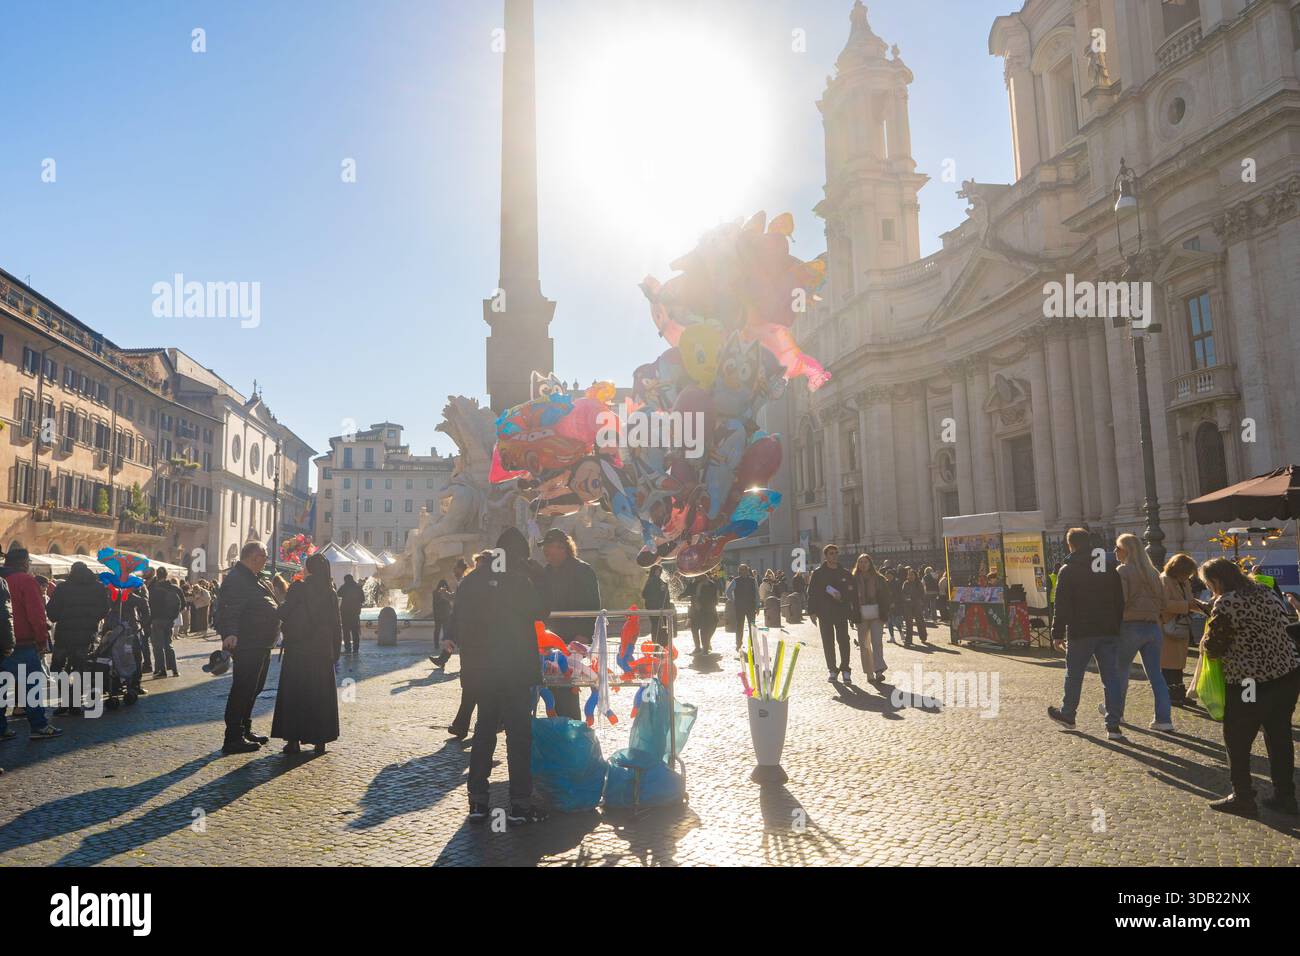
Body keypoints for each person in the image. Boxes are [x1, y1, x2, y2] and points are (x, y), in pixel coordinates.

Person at [455, 531, 548, 825]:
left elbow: (457, 624)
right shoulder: (518, 581)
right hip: (515, 668)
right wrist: (540, 578)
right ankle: (520, 804)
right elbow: (541, 611)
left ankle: (478, 802)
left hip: (483, 670)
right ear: (516, 554)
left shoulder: (472, 580)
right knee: (518, 735)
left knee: (484, 731)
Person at [1198, 557, 1300, 818]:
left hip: (1249, 682)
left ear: (1218, 581)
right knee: (1279, 737)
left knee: (1238, 737)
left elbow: (1214, 647)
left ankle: (1243, 796)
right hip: (1286, 674)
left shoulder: (1226, 602)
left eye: (1210, 585)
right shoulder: (1265, 590)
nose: (1211, 590)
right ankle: (1285, 796)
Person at [1047, 527, 1125, 740]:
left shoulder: (1069, 569)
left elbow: (1061, 606)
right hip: (1108, 629)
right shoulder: (1107, 566)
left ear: (1070, 545)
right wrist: (1117, 624)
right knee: (1111, 678)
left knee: (1074, 675)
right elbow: (1119, 599)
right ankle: (1114, 725)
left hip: (1081, 631)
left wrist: (1056, 633)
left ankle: (1068, 714)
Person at [214, 542, 281, 755]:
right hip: (247, 642)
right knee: (243, 688)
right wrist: (230, 633)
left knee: (254, 687)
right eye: (264, 556)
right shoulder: (237, 579)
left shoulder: (253, 577)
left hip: (260, 642)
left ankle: (244, 729)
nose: (266, 560)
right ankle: (233, 737)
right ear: (254, 557)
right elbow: (229, 609)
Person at [272, 552, 341, 756]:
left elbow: (283, 613)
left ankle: (293, 741)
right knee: (320, 695)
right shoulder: (330, 593)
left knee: (296, 694)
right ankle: (320, 741)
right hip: (321, 651)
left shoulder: (299, 588)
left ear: (309, 569)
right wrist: (335, 652)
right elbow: (336, 625)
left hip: (298, 648)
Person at [1112, 533, 1173, 731]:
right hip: (1153, 627)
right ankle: (1164, 719)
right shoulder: (1153, 572)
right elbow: (1164, 603)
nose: (1115, 552)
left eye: (1118, 548)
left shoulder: (1123, 571)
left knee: (1120, 671)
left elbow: (1120, 600)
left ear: (1127, 551)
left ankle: (1117, 712)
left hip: (1130, 626)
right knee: (1156, 675)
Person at [540, 529, 600, 721]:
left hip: (573, 640)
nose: (546, 553)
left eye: (549, 548)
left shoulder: (582, 570)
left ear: (562, 547)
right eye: (545, 549)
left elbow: (593, 605)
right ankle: (558, 726)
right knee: (551, 685)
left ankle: (571, 726)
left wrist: (583, 634)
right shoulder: (546, 572)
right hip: (550, 639)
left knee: (569, 686)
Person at [0, 548, 61, 739]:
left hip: (3, 642)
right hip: (22, 642)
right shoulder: (25, 580)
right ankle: (39, 726)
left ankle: (1, 729)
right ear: (24, 562)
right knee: (31, 686)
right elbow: (36, 614)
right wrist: (42, 640)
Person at [47, 561, 109, 714]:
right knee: (81, 668)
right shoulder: (98, 587)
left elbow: (52, 612)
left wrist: (62, 616)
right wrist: (92, 618)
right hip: (87, 635)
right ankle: (74, 702)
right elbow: (104, 609)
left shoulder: (63, 587)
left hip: (64, 635)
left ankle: (66, 700)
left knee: (58, 668)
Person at [448, 553, 492, 739]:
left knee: (472, 683)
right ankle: (476, 724)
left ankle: (464, 724)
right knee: (481, 684)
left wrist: (452, 636)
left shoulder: (468, 582)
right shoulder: (495, 581)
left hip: (471, 640)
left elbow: (457, 611)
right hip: (487, 641)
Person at [1159, 553, 1205, 707]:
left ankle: (1179, 693)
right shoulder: (1165, 580)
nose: (1187, 577)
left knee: (1179, 664)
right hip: (1168, 626)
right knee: (1168, 664)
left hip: (1181, 626)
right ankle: (1172, 695)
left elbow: (1190, 601)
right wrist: (1186, 607)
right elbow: (1163, 604)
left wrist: (1204, 607)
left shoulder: (1184, 582)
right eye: (1186, 574)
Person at [807, 544, 857, 683]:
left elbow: (851, 591)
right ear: (826, 556)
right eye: (831, 553)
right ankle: (832, 670)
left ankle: (846, 669)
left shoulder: (845, 573)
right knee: (828, 643)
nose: (834, 555)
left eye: (835, 553)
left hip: (841, 611)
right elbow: (812, 593)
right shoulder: (818, 573)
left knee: (844, 641)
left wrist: (842, 597)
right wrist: (812, 611)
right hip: (825, 613)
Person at [851, 553, 889, 683]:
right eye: (860, 562)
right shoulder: (853, 579)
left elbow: (885, 597)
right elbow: (851, 599)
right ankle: (869, 673)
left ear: (870, 563)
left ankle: (878, 671)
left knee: (877, 642)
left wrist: (885, 613)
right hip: (861, 615)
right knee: (864, 644)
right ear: (858, 564)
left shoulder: (879, 579)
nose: (863, 564)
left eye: (865, 562)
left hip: (877, 614)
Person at [146, 567, 183, 679]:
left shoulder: (154, 588)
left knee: (158, 647)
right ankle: (174, 670)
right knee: (169, 645)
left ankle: (161, 671)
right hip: (169, 620)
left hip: (157, 620)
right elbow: (183, 603)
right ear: (167, 575)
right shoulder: (175, 588)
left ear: (157, 575)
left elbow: (149, 605)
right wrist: (173, 615)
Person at [688, 573, 719, 655]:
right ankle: (699, 647)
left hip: (707, 610)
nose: (697, 577)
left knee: (705, 630)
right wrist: (680, 596)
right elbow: (689, 591)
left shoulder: (711, 584)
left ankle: (705, 646)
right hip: (697, 610)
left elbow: (715, 595)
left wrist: (714, 604)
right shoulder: (694, 584)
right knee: (696, 629)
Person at [729, 565, 758, 653]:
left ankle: (744, 644)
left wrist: (734, 600)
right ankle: (740, 644)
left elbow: (756, 594)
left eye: (744, 570)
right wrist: (734, 600)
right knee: (744, 626)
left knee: (744, 626)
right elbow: (728, 592)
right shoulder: (751, 580)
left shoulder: (738, 580)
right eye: (742, 570)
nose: (743, 571)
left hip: (745, 607)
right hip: (748, 606)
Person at [641, 565, 670, 647]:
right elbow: (646, 594)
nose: (660, 572)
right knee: (660, 627)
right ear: (655, 571)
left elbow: (644, 594)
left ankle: (657, 645)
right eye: (659, 570)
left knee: (656, 627)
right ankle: (661, 646)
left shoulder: (651, 581)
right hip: (658, 608)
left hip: (654, 608)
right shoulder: (655, 581)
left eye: (660, 570)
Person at [427, 580, 453, 668]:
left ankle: (441, 659)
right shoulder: (438, 593)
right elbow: (443, 603)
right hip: (443, 615)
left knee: (445, 633)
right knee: (445, 634)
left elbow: (448, 602)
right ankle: (441, 658)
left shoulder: (444, 593)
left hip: (442, 615)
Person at [901, 567, 929, 647]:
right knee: (908, 623)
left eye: (912, 575)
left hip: (917, 604)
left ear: (915, 576)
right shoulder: (905, 583)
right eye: (909, 575)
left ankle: (923, 636)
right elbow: (902, 593)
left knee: (920, 621)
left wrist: (920, 601)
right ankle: (908, 640)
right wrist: (906, 597)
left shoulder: (918, 583)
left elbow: (922, 593)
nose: (910, 576)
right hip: (907, 605)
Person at [337, 573, 364, 656]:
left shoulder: (344, 587)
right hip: (355, 612)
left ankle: (348, 649)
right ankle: (356, 649)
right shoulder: (358, 588)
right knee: (355, 631)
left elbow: (338, 594)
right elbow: (363, 599)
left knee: (346, 632)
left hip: (345, 612)